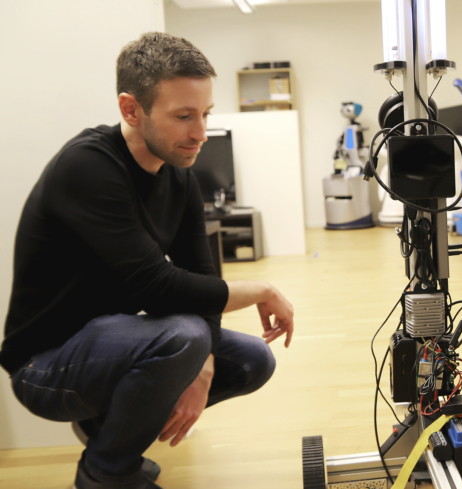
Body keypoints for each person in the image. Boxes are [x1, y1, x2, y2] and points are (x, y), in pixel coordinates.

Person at [0, 32, 294, 489]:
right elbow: (157, 287)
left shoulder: (180, 178)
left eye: (204, 114)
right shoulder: (88, 167)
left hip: (111, 344)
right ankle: (107, 472)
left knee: (253, 360)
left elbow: (201, 277)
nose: (200, 132)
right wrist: (262, 291)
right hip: (45, 366)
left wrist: (206, 367)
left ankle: (110, 436)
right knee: (184, 334)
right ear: (130, 110)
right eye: (183, 117)